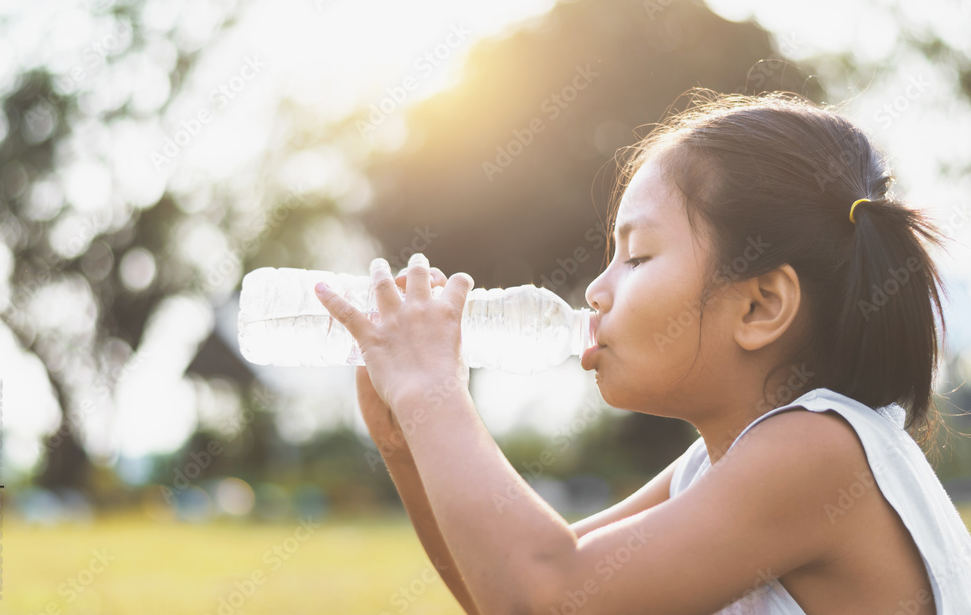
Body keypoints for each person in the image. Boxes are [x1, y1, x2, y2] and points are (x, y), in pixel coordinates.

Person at [316, 91, 971, 614]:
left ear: (760, 305)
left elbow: (543, 590)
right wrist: (405, 440)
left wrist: (434, 394)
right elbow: (515, 589)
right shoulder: (721, 465)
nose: (597, 290)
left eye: (637, 256)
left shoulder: (821, 453)